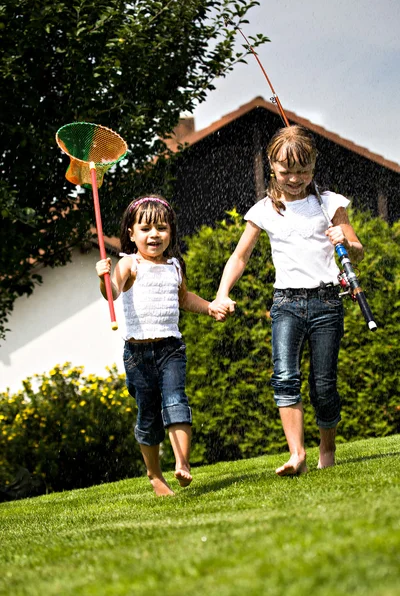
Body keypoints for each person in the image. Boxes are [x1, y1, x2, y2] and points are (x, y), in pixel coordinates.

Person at [213, 125, 364, 476]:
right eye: (286, 172)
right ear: (271, 166)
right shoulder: (264, 210)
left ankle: (327, 445)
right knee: (284, 376)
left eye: (303, 171)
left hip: (327, 302)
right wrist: (222, 292)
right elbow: (240, 256)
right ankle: (297, 453)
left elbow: (355, 251)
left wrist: (345, 239)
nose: (295, 179)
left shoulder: (329, 204)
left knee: (323, 385)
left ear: (314, 166)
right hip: (286, 304)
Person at [96, 195, 228, 496]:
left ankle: (182, 463)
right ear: (131, 234)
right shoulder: (130, 263)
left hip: (171, 349)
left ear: (171, 231)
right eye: (145, 229)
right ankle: (155, 475)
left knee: (176, 401)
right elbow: (111, 292)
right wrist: (103, 277)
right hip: (138, 354)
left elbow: (183, 298)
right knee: (149, 416)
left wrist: (209, 307)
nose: (154, 234)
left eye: (161, 228)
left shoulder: (175, 265)